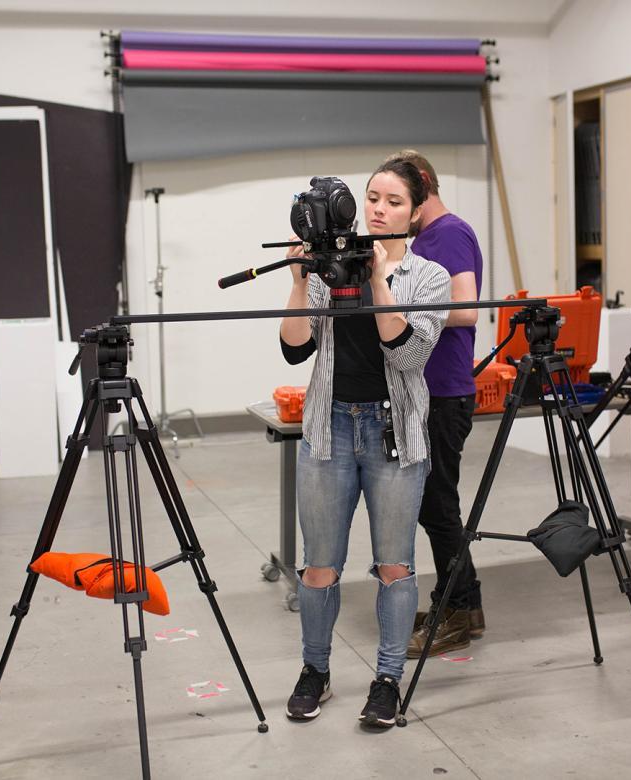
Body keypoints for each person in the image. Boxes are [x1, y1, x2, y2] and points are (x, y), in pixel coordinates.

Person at [279, 159, 451, 726]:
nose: (378, 209)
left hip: (393, 434)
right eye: (372, 197)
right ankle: (316, 671)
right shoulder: (332, 268)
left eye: (393, 201)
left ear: (415, 211)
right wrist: (303, 279)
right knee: (319, 567)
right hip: (329, 430)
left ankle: (387, 678)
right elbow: (296, 348)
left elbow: (405, 355)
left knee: (395, 566)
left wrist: (377, 277)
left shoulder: (428, 278)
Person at [382, 151, 486, 659]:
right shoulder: (426, 238)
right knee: (434, 505)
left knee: (437, 506)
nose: (386, 207)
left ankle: (458, 609)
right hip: (427, 390)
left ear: (421, 186)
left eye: (397, 197)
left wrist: (403, 309)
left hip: (444, 391)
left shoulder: (449, 232)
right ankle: (464, 602)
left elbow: (466, 307)